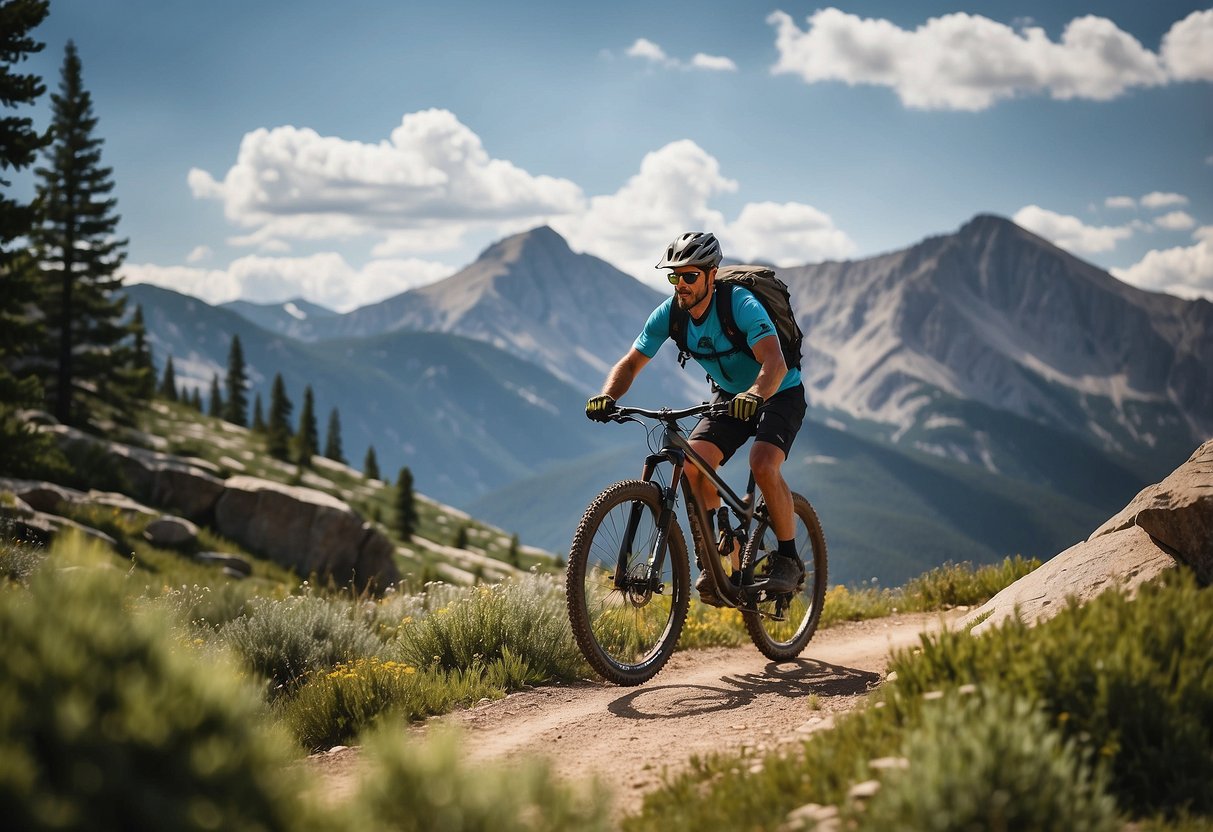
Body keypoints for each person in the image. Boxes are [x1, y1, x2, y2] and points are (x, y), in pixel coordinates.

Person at [585, 231, 808, 605]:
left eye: (690, 276)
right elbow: (631, 362)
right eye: (675, 276)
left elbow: (775, 361)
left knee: (764, 463)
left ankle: (788, 557)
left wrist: (755, 395)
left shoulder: (740, 305)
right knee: (692, 465)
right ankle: (721, 561)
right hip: (729, 398)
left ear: (711, 274)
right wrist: (608, 396)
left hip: (779, 390)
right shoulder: (670, 313)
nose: (681, 285)